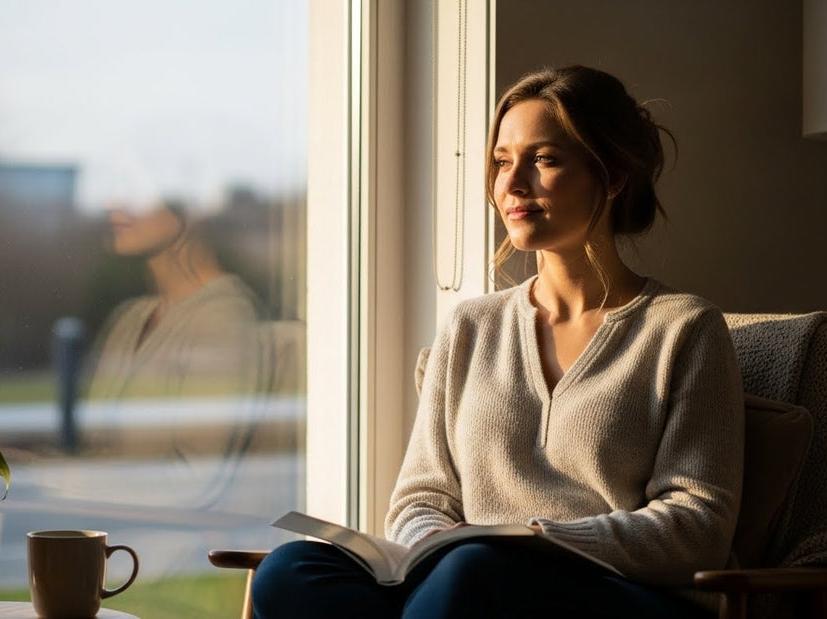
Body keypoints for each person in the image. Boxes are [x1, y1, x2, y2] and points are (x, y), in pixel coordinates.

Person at [249, 65, 745, 618]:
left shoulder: (683, 329)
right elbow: (422, 498)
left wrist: (532, 540)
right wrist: (432, 542)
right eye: (503, 161)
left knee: (474, 571)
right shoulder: (470, 327)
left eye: (545, 159)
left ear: (611, 176)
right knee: (291, 570)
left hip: (621, 598)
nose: (512, 185)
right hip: (467, 582)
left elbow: (697, 525)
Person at [84, 197, 266, 506]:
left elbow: (195, 482)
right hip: (113, 529)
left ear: (184, 213)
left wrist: (50, 479)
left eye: (136, 192)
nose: (114, 202)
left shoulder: (223, 320)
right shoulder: (131, 318)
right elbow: (99, 451)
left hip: (169, 544)